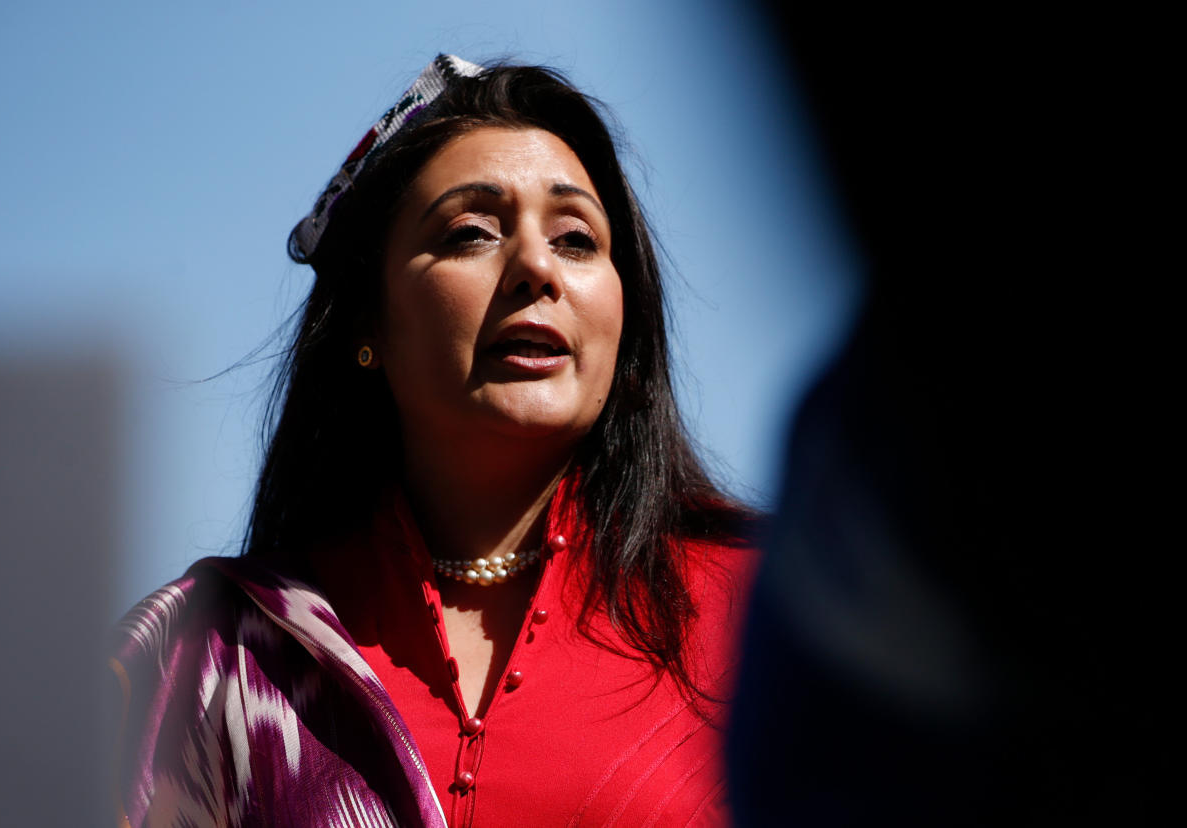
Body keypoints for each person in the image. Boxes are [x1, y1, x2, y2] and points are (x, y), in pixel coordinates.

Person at [111, 55, 756, 828]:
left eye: (577, 239)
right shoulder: (212, 654)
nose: (535, 269)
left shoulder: (771, 608)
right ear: (366, 322)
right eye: (471, 232)